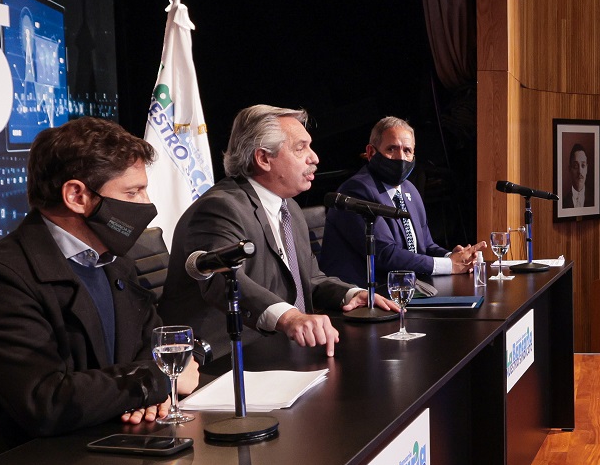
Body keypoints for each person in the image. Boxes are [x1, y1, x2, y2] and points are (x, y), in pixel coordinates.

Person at [0, 117, 199, 465]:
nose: (146, 204)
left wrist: (148, 390)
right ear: (77, 196)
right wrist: (158, 380)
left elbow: (148, 345)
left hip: (105, 454)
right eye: (132, 193)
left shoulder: (116, 261)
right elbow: (45, 401)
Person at [163, 105, 385, 360]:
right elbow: (222, 279)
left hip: (281, 348)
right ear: (263, 158)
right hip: (224, 358)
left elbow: (309, 279)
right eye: (300, 148)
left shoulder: (288, 206)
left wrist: (351, 293)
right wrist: (290, 317)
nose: (314, 158)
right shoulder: (220, 207)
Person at [320, 116, 478, 287]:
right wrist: (448, 265)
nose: (400, 158)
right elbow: (384, 254)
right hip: (367, 293)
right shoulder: (357, 189)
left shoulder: (409, 189)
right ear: (371, 152)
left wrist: (453, 257)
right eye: (391, 149)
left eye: (407, 151)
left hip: (406, 287)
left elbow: (426, 245)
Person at [563, 142, 593, 209]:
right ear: (570, 169)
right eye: (575, 166)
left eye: (583, 165)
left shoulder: (594, 199)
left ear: (587, 169)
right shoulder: (563, 203)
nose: (580, 171)